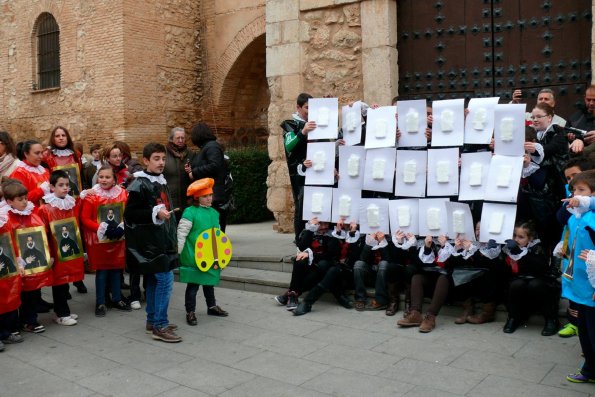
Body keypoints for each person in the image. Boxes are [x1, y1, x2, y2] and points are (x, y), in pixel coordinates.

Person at [124, 143, 180, 343]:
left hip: (161, 240)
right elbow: (130, 214)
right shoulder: (140, 183)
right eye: (156, 158)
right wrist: (155, 212)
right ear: (146, 161)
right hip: (149, 244)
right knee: (165, 280)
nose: (161, 162)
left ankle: (152, 321)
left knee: (156, 281)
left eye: (163, 159)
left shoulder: (161, 181)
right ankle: (160, 325)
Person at [553, 170, 595, 382]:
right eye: (573, 190)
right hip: (580, 283)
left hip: (593, 287)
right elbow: (563, 224)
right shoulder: (577, 216)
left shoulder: (592, 219)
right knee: (585, 332)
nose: (575, 194)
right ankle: (590, 370)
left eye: (581, 190)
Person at [1, 180, 52, 333]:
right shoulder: (5, 216)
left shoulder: (32, 211)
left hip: (32, 261)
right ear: (10, 202)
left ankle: (30, 320)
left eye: (25, 198)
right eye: (20, 199)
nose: (24, 202)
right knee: (16, 293)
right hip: (16, 261)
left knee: (33, 291)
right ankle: (14, 323)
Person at [80, 165, 131, 316]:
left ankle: (116, 298)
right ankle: (100, 301)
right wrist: (102, 228)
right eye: (101, 177)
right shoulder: (91, 195)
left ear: (114, 179)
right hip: (99, 241)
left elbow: (127, 214)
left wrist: (122, 227)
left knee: (116, 269)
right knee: (102, 272)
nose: (103, 180)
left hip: (118, 239)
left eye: (107, 177)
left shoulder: (122, 194)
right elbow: (84, 218)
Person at [177, 178, 228, 326]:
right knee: (193, 285)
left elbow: (218, 235)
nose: (209, 198)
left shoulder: (214, 213)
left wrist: (220, 255)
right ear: (197, 197)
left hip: (210, 255)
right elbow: (182, 233)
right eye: (205, 196)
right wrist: (178, 252)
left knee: (209, 282)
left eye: (210, 195)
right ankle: (190, 311)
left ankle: (211, 306)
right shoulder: (190, 212)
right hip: (193, 255)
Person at [38, 170, 84, 326]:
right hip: (55, 250)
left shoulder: (71, 203)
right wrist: (48, 254)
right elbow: (42, 232)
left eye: (67, 185)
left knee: (67, 280)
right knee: (59, 282)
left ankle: (63, 310)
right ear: (52, 187)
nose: (65, 188)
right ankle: (62, 313)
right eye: (61, 185)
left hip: (68, 249)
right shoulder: (46, 208)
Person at [502, 221, 560, 335]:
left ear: (530, 238)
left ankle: (551, 319)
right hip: (519, 283)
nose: (516, 240)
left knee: (535, 285)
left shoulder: (538, 247)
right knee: (516, 284)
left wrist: (520, 253)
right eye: (514, 236)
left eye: (521, 237)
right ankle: (513, 318)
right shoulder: (509, 248)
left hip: (539, 281)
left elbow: (541, 267)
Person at [397, 235, 453, 333]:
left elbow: (454, 265)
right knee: (417, 277)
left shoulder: (455, 240)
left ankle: (430, 317)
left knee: (443, 278)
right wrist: (427, 248)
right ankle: (415, 314)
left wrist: (445, 246)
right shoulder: (426, 239)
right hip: (431, 282)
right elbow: (417, 264)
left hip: (448, 285)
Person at [281, 93, 314, 241]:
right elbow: (289, 146)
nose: (310, 111)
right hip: (299, 172)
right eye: (307, 107)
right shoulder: (290, 124)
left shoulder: (316, 122)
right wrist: (303, 132)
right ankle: (299, 239)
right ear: (298, 108)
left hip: (317, 169)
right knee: (302, 204)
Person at [186, 123, 228, 231]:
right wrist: (192, 169)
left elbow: (215, 166)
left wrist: (194, 172)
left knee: (213, 229)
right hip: (208, 194)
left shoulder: (212, 146)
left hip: (213, 195)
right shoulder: (207, 147)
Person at [0, 194, 24, 351]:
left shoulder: (3, 217)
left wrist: (17, 260)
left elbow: (10, 241)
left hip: (5, 265)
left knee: (8, 299)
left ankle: (5, 332)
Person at [10, 140, 50, 207]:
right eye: (37, 153)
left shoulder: (44, 170)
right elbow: (18, 199)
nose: (41, 156)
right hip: (32, 214)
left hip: (48, 212)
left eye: (41, 153)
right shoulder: (19, 173)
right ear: (26, 154)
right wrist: (41, 190)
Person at [164, 127, 192, 217]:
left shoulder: (190, 154)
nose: (180, 140)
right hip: (169, 201)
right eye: (178, 138)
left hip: (187, 202)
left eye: (182, 138)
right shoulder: (164, 153)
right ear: (172, 139)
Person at [569, 85, 595, 153]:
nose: (591, 103)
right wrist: (575, 139)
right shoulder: (575, 118)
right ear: (584, 98)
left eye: (594, 100)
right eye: (588, 100)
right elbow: (565, 135)